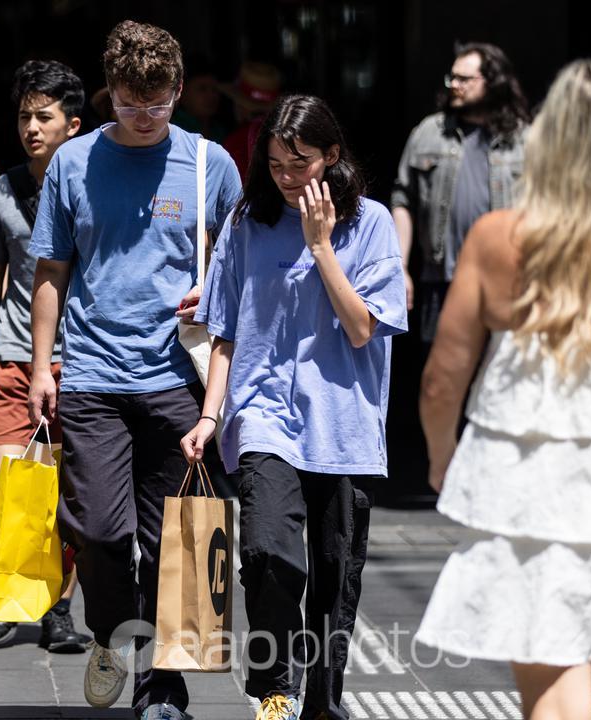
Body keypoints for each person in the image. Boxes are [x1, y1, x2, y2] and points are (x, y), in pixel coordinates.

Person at [415, 60, 591, 720]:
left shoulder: (500, 239)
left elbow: (443, 376)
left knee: (557, 690)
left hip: (535, 485)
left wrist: (443, 460)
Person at [28, 21, 241, 720]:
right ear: (108, 93)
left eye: (156, 104)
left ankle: (164, 687)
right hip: (91, 373)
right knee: (99, 532)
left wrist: (212, 294)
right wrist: (41, 365)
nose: (144, 117)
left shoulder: (211, 165)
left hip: (177, 377)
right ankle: (111, 636)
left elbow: (241, 274)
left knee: (175, 540)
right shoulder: (73, 162)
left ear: (178, 91)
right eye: (128, 103)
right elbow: (52, 271)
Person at [181, 94, 408, 720]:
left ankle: (321, 704)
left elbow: (363, 329)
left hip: (342, 422)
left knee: (335, 576)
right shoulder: (245, 223)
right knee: (266, 551)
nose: (285, 177)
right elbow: (224, 331)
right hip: (262, 415)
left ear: (332, 157)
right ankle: (277, 685)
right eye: (275, 163)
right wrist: (209, 416)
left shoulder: (372, 225)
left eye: (299, 162)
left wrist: (321, 246)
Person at [0, 59, 88, 652]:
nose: (32, 128)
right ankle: (7, 597)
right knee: (5, 483)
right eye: (24, 117)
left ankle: (58, 608)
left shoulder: (94, 188)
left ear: (74, 124)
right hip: (14, 358)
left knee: (65, 496)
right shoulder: (0, 193)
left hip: (82, 361)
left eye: (44, 117)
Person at [390, 41, 529, 342]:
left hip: (506, 281)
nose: (454, 85)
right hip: (442, 281)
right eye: (451, 78)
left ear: (493, 83)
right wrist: (400, 266)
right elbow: (402, 200)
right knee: (441, 376)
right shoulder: (429, 132)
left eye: (464, 79)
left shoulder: (522, 139)